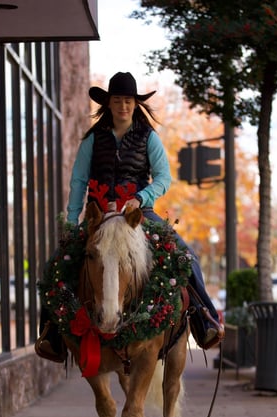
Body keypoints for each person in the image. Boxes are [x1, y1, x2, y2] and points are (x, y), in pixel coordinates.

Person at [36, 71, 224, 362]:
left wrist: (141, 197)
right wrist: (73, 222)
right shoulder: (92, 139)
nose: (123, 105)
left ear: (136, 104)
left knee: (184, 254)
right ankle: (51, 336)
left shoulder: (149, 138)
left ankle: (204, 319)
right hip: (97, 215)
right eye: (117, 100)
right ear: (108, 103)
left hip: (138, 212)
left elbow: (163, 178)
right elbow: (78, 181)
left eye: (128, 101)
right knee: (59, 263)